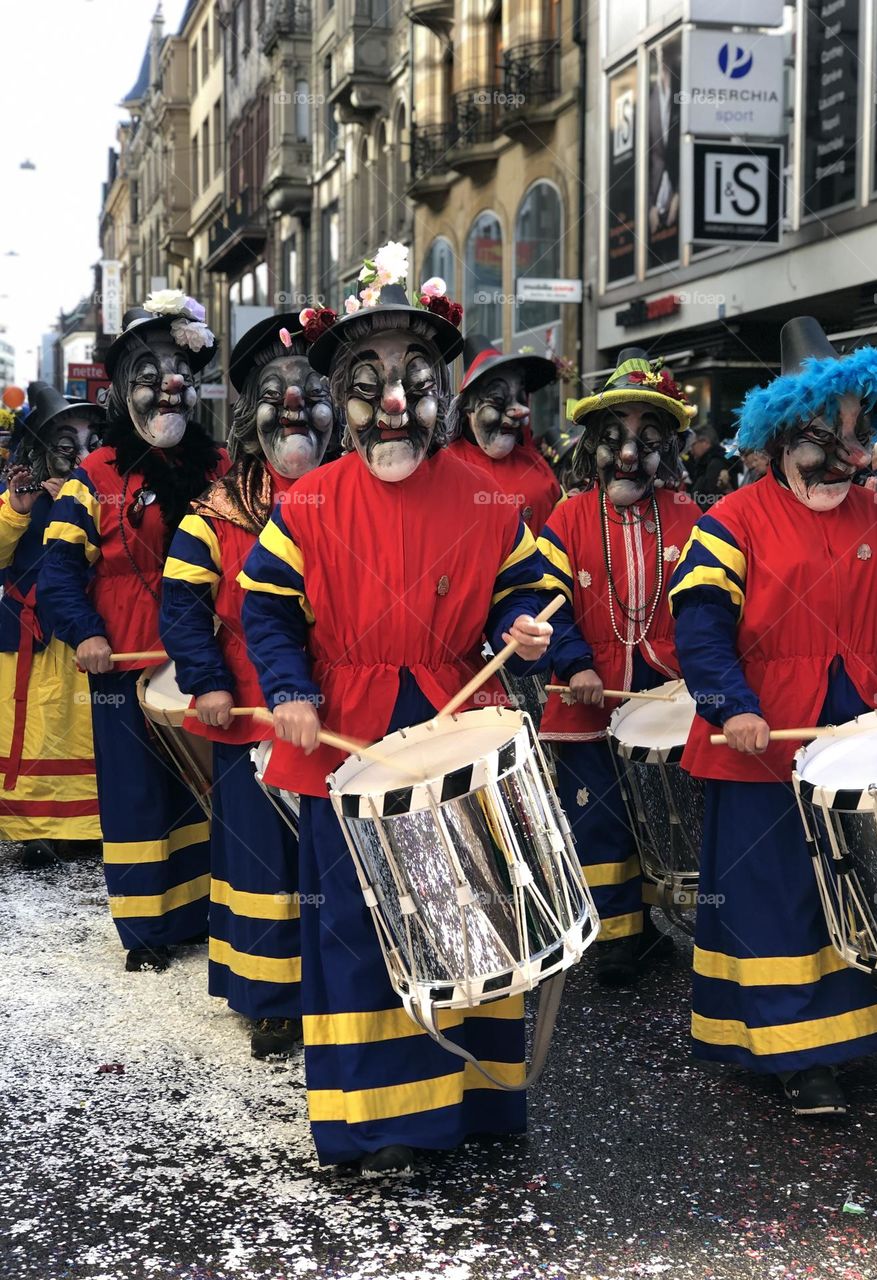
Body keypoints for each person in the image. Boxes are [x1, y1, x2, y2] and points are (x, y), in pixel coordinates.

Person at [238, 249, 555, 1173]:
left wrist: (522, 628)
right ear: (342, 394)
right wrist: (289, 691)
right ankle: (383, 1124)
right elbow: (265, 609)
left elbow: (524, 586)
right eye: (369, 386)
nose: (392, 407)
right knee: (363, 922)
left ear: (441, 394)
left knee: (475, 911)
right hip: (350, 733)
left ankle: (479, 1105)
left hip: (457, 714)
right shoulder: (307, 502)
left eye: (413, 386)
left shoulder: (485, 494)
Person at [669, 316, 877, 1118]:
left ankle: (861, 1030)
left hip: (860, 735)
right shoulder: (731, 519)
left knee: (865, 881)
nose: (843, 458)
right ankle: (799, 1055)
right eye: (823, 440)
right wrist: (731, 707)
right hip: (765, 743)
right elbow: (698, 625)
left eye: (855, 436)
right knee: (779, 897)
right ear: (780, 437)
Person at [160, 310, 336, 1057]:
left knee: (329, 861)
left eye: (308, 393)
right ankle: (268, 997)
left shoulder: (354, 498)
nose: (293, 408)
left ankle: (335, 987)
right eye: (276, 394)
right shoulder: (216, 511)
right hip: (249, 713)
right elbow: (181, 606)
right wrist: (204, 680)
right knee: (262, 861)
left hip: (335, 718)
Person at [39, 293, 228, 972]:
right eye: (148, 374)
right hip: (124, 665)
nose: (166, 385)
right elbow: (57, 573)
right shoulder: (94, 478)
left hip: (209, 664)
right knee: (138, 795)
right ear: (123, 392)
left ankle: (207, 912)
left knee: (206, 792)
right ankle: (147, 930)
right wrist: (85, 633)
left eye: (177, 370)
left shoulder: (220, 469)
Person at [536, 348, 699, 985]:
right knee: (598, 815)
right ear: (590, 445)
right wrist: (573, 662)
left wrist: (699, 676)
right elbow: (542, 603)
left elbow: (710, 608)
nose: (630, 455)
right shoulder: (567, 518)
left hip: (667, 693)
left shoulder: (690, 516)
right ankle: (616, 938)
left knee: (668, 811)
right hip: (588, 698)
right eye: (615, 440)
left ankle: (666, 922)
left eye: (648, 441)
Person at [0, 384, 104, 866]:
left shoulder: (102, 496)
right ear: (43, 451)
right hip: (27, 642)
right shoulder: (18, 499)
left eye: (89, 443)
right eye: (67, 446)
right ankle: (28, 827)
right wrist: (17, 514)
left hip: (81, 636)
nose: (79, 455)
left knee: (79, 728)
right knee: (34, 731)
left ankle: (83, 825)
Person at [446, 333, 561, 533]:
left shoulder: (535, 464)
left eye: (520, 398)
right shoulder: (444, 467)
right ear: (468, 407)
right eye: (498, 400)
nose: (520, 411)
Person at [686, 426, 729, 509]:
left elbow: (711, 498)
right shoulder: (705, 463)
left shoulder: (716, 464)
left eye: (693, 445)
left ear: (705, 442)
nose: (690, 450)